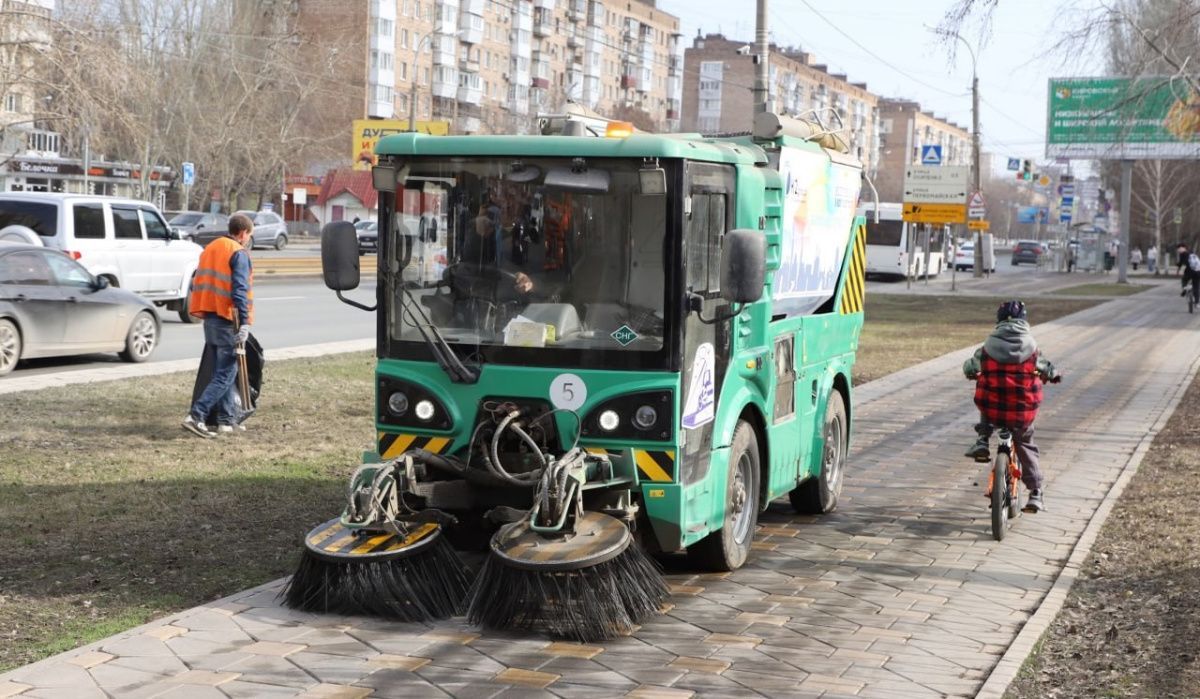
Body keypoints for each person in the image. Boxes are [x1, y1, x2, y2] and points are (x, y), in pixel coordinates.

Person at [963, 301, 1060, 513]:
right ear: (1024, 321)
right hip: (1021, 411)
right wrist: (1052, 375)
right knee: (1025, 443)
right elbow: (1048, 369)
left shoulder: (987, 347)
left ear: (998, 321)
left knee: (987, 393)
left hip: (994, 409)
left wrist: (972, 372)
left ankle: (982, 439)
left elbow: (970, 367)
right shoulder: (1033, 349)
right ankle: (1035, 493)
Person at [183, 213, 255, 439]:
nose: (248, 239)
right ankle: (197, 415)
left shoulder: (210, 248)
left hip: (210, 316)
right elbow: (239, 290)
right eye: (249, 235)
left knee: (221, 370)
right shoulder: (238, 253)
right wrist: (244, 322)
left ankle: (226, 420)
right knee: (226, 372)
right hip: (228, 319)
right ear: (243, 233)